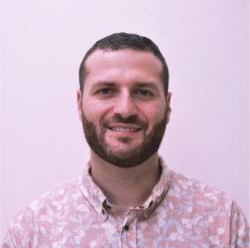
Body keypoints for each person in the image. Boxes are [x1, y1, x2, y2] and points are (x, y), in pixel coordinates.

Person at [1, 32, 249, 247]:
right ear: (79, 104)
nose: (125, 109)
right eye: (106, 91)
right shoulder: (33, 231)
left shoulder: (222, 220)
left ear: (168, 105)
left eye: (143, 92)